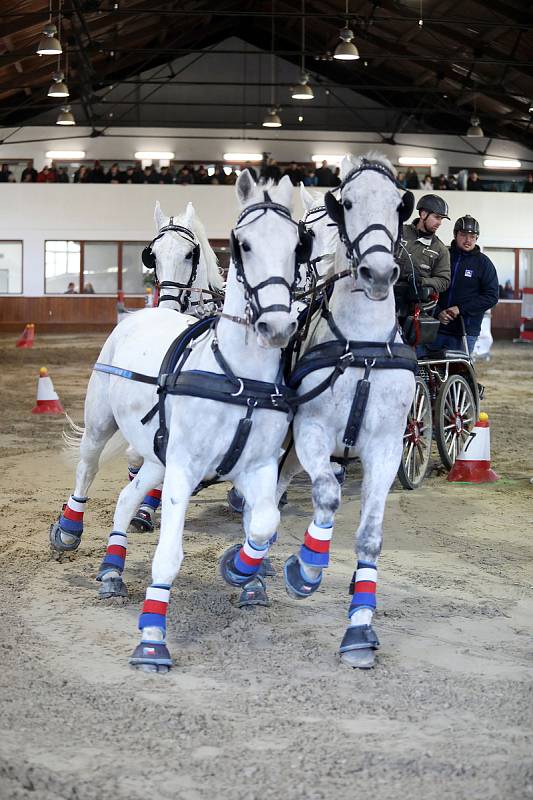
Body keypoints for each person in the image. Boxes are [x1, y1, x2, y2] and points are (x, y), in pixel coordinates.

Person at [426, 215, 499, 354]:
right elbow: (428, 287)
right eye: (463, 235)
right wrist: (437, 311)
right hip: (435, 327)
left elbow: (491, 297)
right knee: (427, 369)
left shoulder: (484, 264)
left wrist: (460, 309)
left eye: (472, 236)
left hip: (465, 332)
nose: (468, 240)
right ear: (455, 234)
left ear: (477, 238)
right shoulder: (442, 256)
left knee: (458, 373)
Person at [397, 194, 451, 296]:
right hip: (385, 295)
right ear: (423, 214)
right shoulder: (398, 232)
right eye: (437, 217)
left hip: (413, 303)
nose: (440, 223)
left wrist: (422, 281)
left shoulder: (441, 249)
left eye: (441, 219)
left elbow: (444, 281)